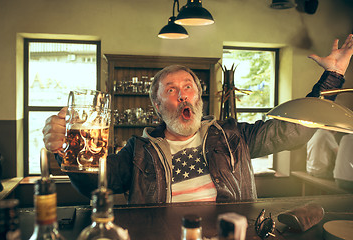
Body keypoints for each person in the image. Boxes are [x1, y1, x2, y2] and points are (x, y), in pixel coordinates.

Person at [43, 34, 353, 204]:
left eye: (188, 87)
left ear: (199, 97)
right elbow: (96, 185)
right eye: (171, 90)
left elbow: (293, 132)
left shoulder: (233, 135)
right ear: (156, 105)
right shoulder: (138, 151)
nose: (182, 95)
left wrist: (333, 75)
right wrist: (65, 151)